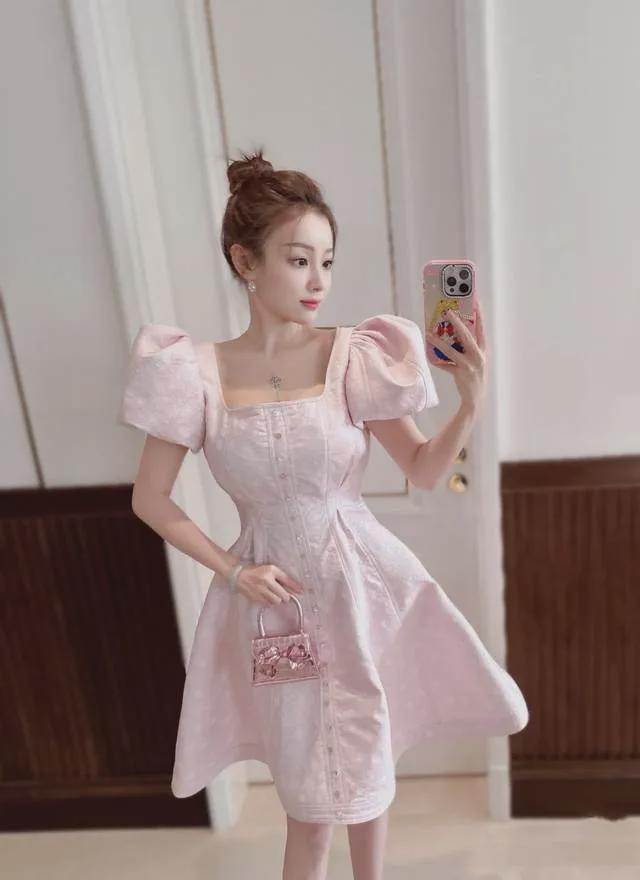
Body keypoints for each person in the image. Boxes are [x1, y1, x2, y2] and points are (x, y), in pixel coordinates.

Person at [119, 148, 528, 880]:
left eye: (327, 262)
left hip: (363, 590)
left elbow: (422, 469)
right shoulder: (191, 372)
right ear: (245, 262)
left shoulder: (355, 356)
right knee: (306, 808)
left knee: (369, 775)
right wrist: (233, 571)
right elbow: (149, 498)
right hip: (271, 604)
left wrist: (470, 403)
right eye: (299, 260)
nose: (319, 281)